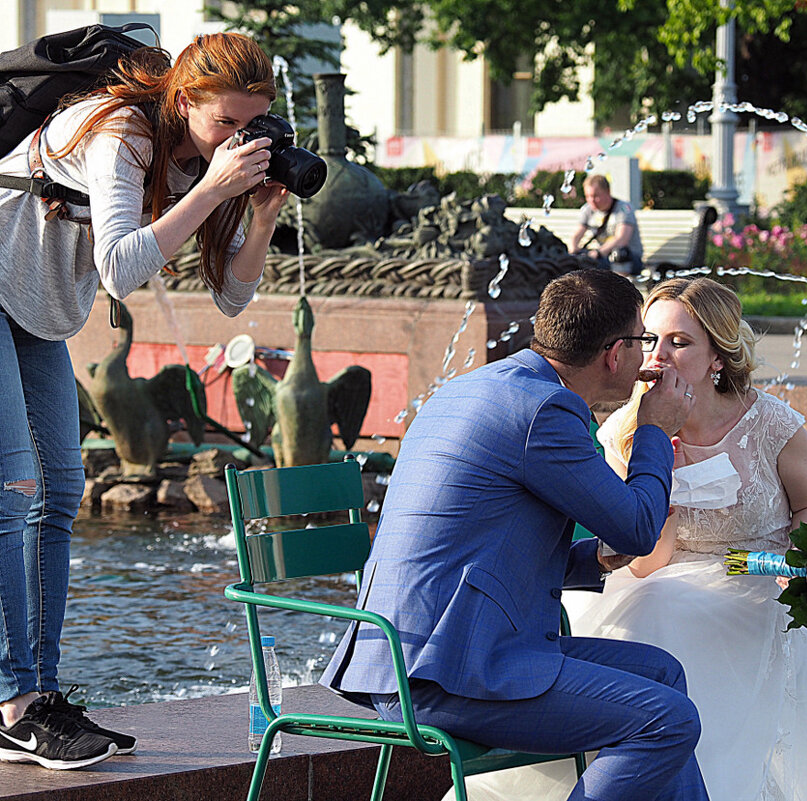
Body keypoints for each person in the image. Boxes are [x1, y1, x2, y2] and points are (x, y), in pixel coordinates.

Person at [450, 277, 807, 801]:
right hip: (667, 578)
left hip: (766, 582)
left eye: (679, 342)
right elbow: (645, 561)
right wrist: (663, 483)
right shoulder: (627, 431)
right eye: (649, 340)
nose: (659, 355)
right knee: (660, 608)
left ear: (717, 356)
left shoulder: (771, 424)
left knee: (688, 614)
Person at [0, 32, 288, 770]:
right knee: (11, 489)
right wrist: (213, 188)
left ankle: (41, 695)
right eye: (225, 121)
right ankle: (11, 702)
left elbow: (231, 295)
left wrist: (254, 217)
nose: (238, 138)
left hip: (37, 303)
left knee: (60, 490)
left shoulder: (207, 161)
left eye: (251, 123)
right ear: (183, 100)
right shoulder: (121, 128)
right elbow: (122, 269)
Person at [322, 269, 710, 801]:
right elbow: (640, 528)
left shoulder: (478, 386)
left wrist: (593, 559)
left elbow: (484, 544)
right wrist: (653, 428)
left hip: (410, 652)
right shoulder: (544, 412)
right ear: (615, 354)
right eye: (643, 339)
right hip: (441, 671)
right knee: (665, 721)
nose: (650, 356)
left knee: (662, 675)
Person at [569, 174, 644, 276]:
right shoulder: (587, 210)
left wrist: (598, 253)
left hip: (627, 258)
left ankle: (620, 289)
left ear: (608, 192)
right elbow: (577, 235)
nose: (592, 200)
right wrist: (572, 250)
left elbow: (621, 239)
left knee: (618, 254)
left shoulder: (624, 208)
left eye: (596, 196)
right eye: (588, 196)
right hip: (603, 258)